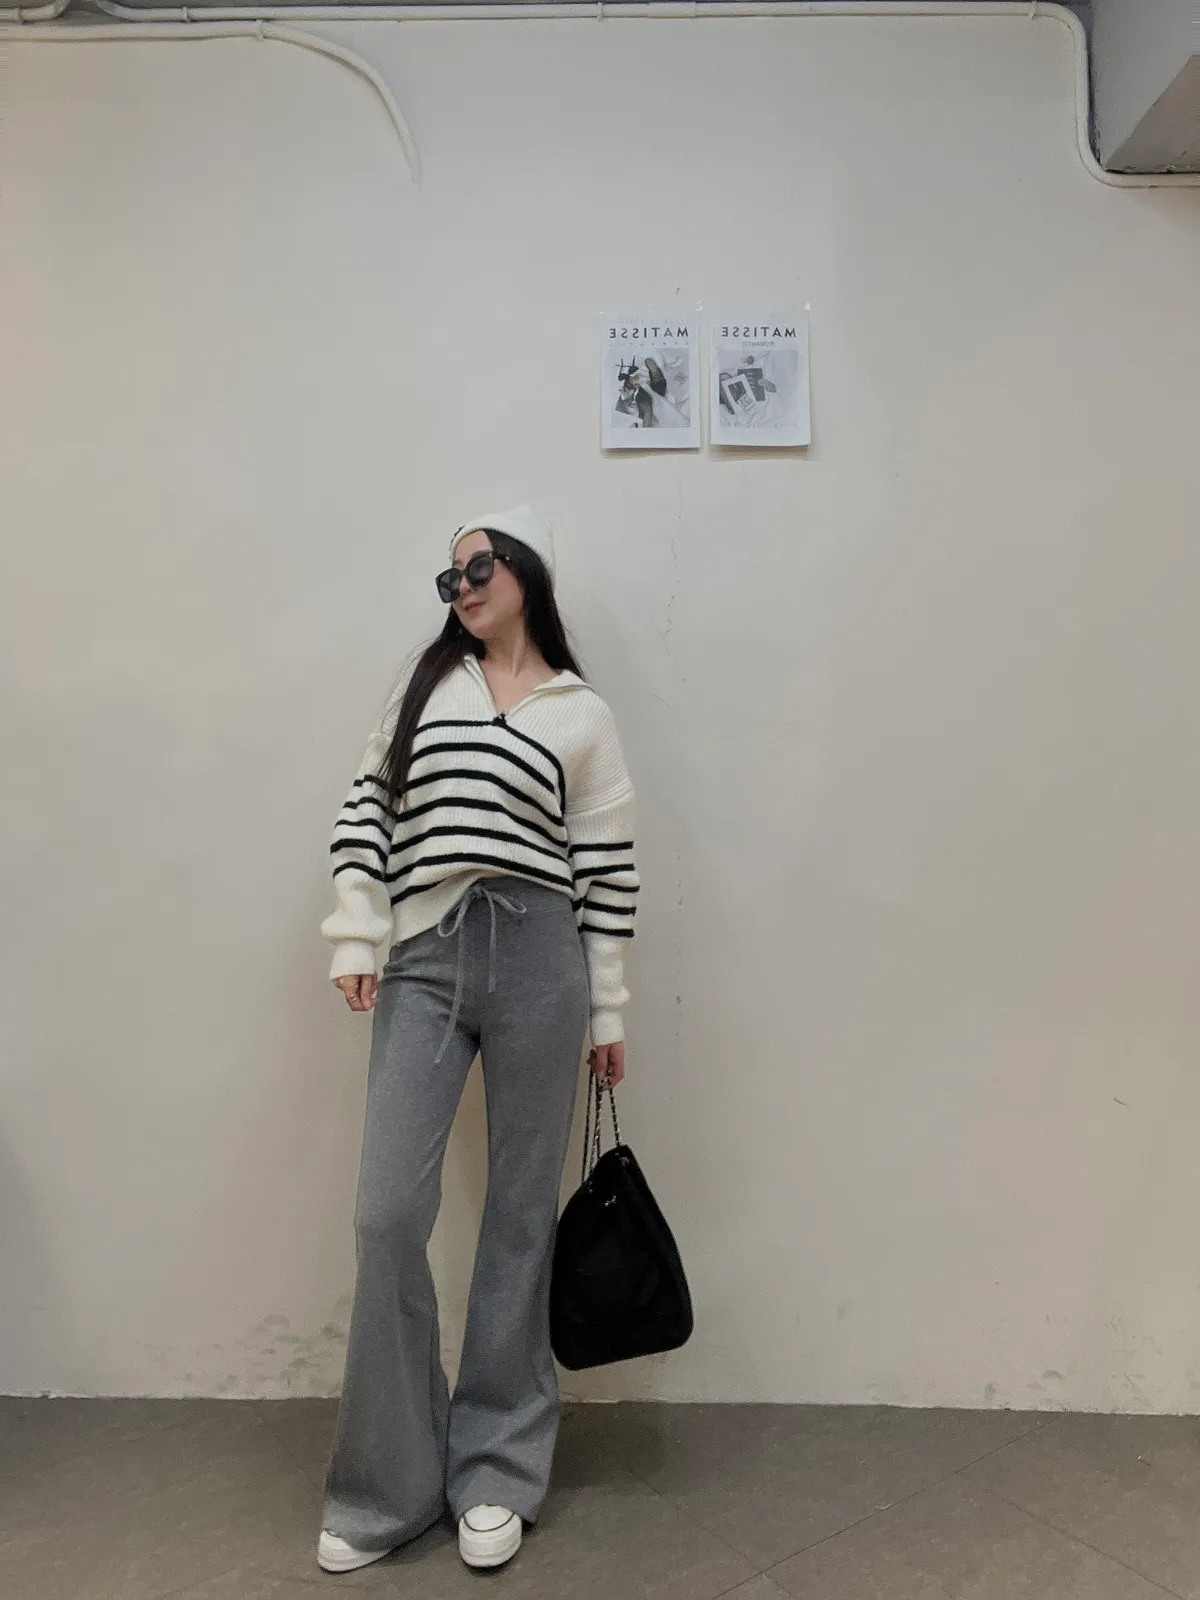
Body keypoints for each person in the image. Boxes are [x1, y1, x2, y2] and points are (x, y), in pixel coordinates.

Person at [315, 504, 640, 1575]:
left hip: (543, 956)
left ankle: (497, 1464)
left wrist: (606, 1009)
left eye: (478, 565)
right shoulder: (427, 687)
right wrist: (358, 929)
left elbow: (607, 873)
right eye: (448, 575)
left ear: (526, 571)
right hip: (427, 952)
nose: (461, 585)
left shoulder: (580, 712)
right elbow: (367, 809)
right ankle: (388, 1484)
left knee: (518, 1215)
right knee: (386, 1216)